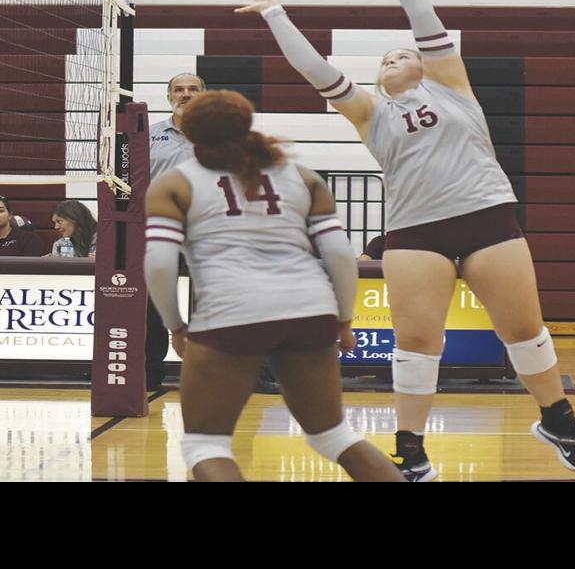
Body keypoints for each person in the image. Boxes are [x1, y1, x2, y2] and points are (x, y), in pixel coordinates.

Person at [238, 0, 575, 480]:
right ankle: (411, 451)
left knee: (524, 330)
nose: (393, 58)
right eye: (384, 58)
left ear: (424, 64)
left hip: (486, 216)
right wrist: (276, 14)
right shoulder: (369, 113)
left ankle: (558, 420)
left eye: (403, 53)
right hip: (415, 233)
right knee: (417, 344)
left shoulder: (450, 84)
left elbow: (422, 15)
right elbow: (316, 70)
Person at [143, 89, 405, 482]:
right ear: (247, 125)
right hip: (310, 309)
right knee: (334, 436)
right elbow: (337, 255)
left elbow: (160, 264)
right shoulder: (301, 175)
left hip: (232, 312)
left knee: (206, 445)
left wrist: (175, 325)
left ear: (190, 134)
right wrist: (345, 319)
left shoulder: (174, 184)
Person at [146, 73, 206, 388]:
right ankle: (149, 374)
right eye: (178, 90)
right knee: (153, 303)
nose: (185, 94)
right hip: (160, 226)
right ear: (169, 96)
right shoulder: (149, 136)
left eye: (192, 89)